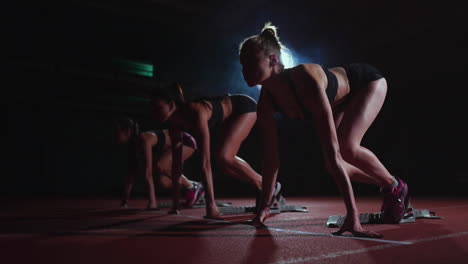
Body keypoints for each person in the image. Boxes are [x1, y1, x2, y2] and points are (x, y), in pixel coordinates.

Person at [238, 22, 409, 237]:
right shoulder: (265, 102)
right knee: (333, 165)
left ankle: (393, 186)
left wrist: (353, 219)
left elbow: (333, 152)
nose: (244, 69)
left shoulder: (305, 80)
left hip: (365, 83)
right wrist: (262, 210)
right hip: (339, 101)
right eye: (242, 63)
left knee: (345, 149)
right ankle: (391, 183)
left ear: (273, 60)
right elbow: (271, 160)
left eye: (250, 61)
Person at [150, 83, 271, 218]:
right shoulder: (173, 126)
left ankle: (266, 185)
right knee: (222, 162)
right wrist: (175, 204)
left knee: (224, 156)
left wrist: (211, 206)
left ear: (172, 105)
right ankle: (267, 186)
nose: (154, 112)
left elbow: (205, 163)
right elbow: (177, 165)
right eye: (153, 109)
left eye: (158, 108)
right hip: (227, 117)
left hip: (243, 108)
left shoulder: (195, 112)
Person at [114, 116, 204, 210]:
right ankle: (194, 185)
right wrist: (125, 201)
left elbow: (147, 173)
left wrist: (152, 202)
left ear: (127, 131)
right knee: (163, 182)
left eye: (117, 131)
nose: (114, 134)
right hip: (172, 146)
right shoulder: (133, 146)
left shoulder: (144, 139)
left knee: (160, 166)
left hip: (185, 141)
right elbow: (130, 174)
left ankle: (192, 187)